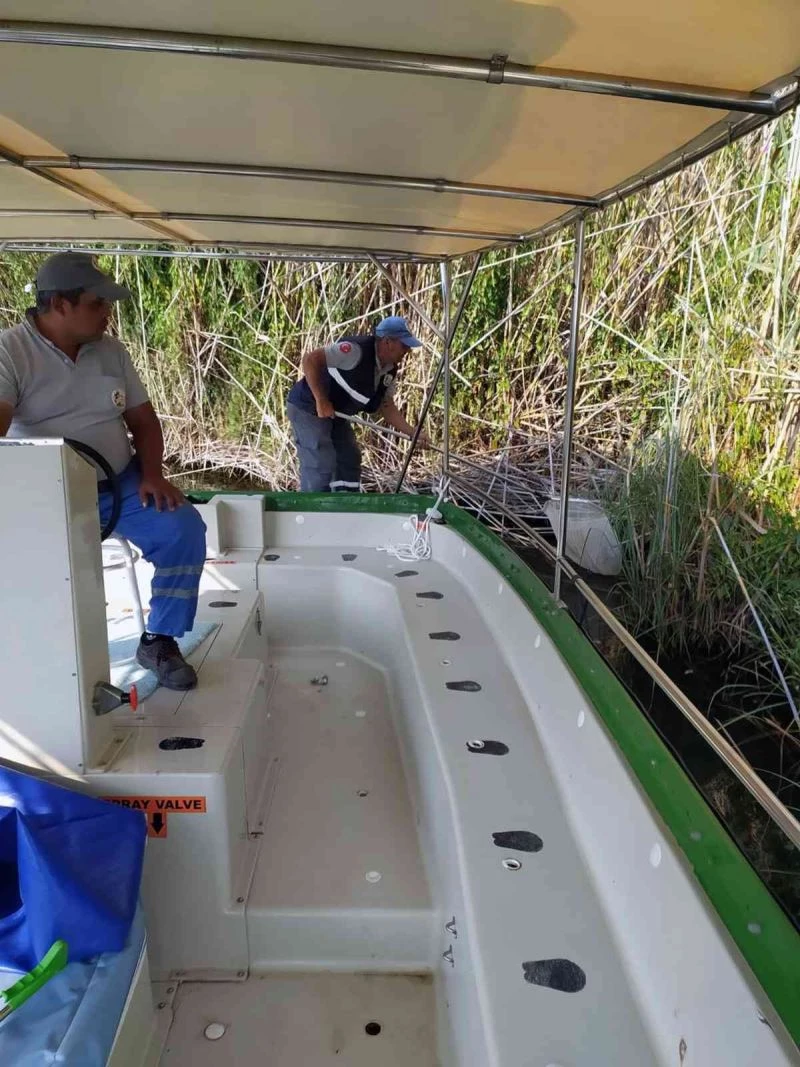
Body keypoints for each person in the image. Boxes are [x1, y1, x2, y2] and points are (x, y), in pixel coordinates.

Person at [0, 252, 206, 691]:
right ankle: (41, 659)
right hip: (46, 492)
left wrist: (153, 474)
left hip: (122, 481)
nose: (108, 312)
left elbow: (144, 422)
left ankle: (159, 640)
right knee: (40, 565)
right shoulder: (9, 352)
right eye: (97, 304)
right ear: (60, 305)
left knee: (183, 529)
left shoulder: (111, 351)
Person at [286, 315, 430, 491]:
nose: (408, 350)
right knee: (322, 462)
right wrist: (321, 401)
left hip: (336, 414)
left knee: (349, 458)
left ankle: (346, 500)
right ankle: (314, 504)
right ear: (387, 342)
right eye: (404, 345)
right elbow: (311, 360)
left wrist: (413, 432)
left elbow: (387, 406)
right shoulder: (354, 351)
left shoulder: (389, 370)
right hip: (307, 407)